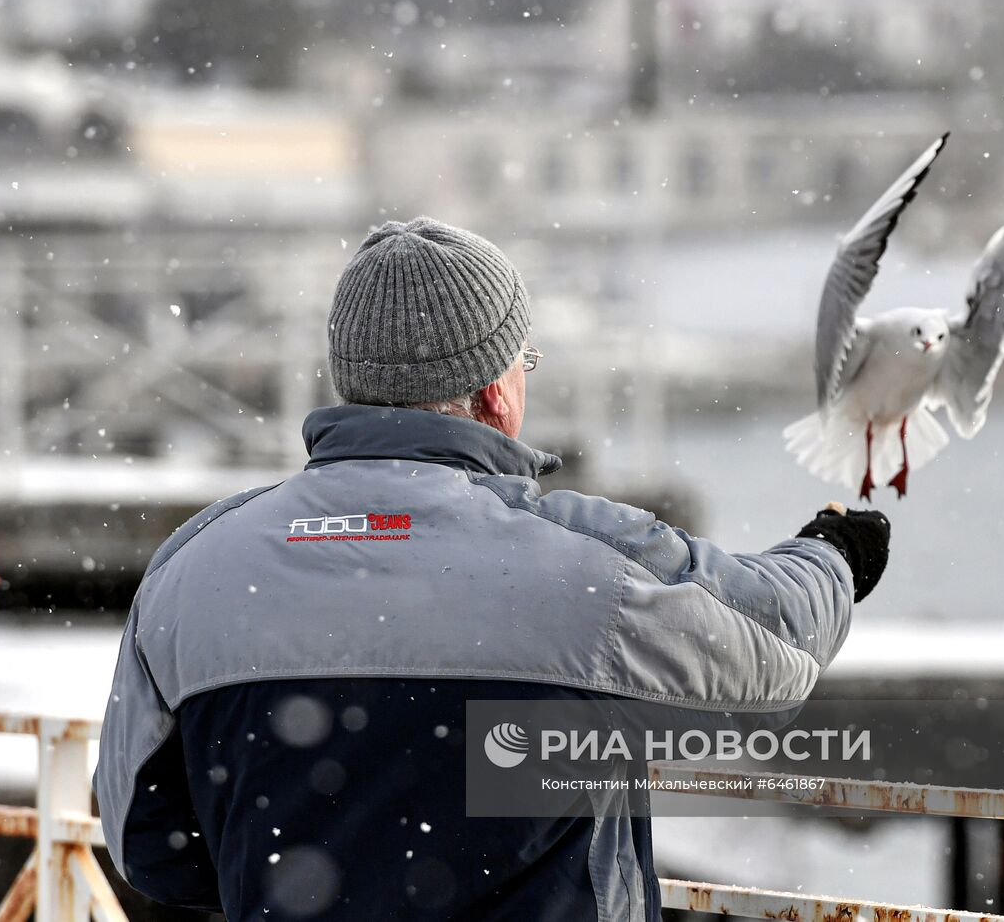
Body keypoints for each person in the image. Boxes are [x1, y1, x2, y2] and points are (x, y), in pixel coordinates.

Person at [95, 217, 891, 921]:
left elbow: (149, 847)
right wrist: (834, 553)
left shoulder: (194, 568)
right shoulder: (584, 562)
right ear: (492, 394)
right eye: (525, 361)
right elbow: (775, 649)